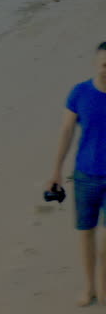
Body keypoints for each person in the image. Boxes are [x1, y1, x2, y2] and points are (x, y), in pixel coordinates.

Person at [49, 41, 106, 307]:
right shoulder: (80, 93)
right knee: (86, 233)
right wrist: (56, 171)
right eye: (105, 64)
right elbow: (66, 132)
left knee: (105, 243)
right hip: (85, 177)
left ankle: (104, 290)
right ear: (96, 63)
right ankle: (89, 288)